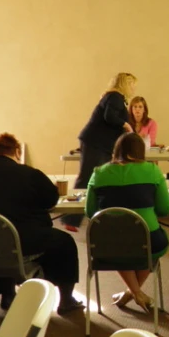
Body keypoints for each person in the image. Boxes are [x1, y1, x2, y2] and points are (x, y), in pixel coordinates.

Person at [0, 133, 82, 315]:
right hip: (23, 241)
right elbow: (51, 199)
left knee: (6, 240)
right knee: (64, 242)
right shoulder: (29, 174)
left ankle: (7, 292)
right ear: (17, 152)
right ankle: (66, 300)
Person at [85, 132, 169, 313]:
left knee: (120, 244)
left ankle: (131, 292)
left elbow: (91, 213)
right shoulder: (153, 171)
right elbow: (165, 209)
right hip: (148, 242)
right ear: (141, 151)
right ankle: (135, 292)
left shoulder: (98, 173)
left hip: (108, 245)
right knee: (149, 245)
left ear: (116, 150)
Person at [62, 72, 136, 231]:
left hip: (101, 144)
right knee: (87, 178)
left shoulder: (116, 98)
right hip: (95, 143)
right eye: (131, 84)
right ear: (123, 84)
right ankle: (70, 218)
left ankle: (100, 216)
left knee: (101, 179)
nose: (133, 88)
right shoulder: (114, 97)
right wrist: (126, 125)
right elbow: (110, 117)